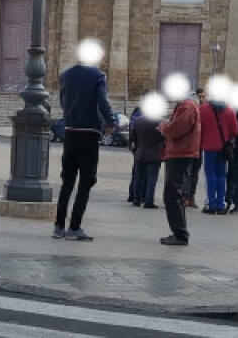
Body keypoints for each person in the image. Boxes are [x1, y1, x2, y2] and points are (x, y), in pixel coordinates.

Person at [52, 54, 115, 242]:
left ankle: (58, 227)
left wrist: (71, 115)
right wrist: (110, 122)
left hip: (70, 131)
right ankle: (74, 228)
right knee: (86, 182)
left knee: (67, 182)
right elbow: (102, 101)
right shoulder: (97, 75)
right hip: (89, 133)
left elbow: (63, 101)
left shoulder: (65, 75)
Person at [159, 91, 201, 246]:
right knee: (174, 194)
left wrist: (163, 127)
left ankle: (180, 234)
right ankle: (178, 232)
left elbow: (175, 130)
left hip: (180, 153)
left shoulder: (187, 106)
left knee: (172, 195)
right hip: (181, 152)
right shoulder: (187, 105)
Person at [199, 91, 238, 215]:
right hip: (223, 148)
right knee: (222, 176)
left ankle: (211, 204)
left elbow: (198, 127)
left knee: (210, 175)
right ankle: (221, 205)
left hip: (208, 146)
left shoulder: (203, 109)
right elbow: (235, 131)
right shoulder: (230, 110)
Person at [130, 105, 163, 209]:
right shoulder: (159, 122)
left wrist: (135, 151)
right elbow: (164, 139)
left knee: (138, 178)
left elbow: (132, 139)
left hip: (140, 153)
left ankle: (136, 200)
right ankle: (149, 201)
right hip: (154, 154)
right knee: (152, 179)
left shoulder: (138, 121)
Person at [183, 88, 207, 209]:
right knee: (187, 173)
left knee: (194, 174)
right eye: (200, 97)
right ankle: (185, 197)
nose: (202, 99)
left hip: (199, 147)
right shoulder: (190, 111)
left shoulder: (205, 112)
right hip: (189, 147)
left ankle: (191, 197)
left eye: (203, 97)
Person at [127, 106, 144, 205]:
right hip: (139, 146)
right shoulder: (139, 111)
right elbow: (134, 128)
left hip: (141, 146)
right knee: (138, 172)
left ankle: (137, 195)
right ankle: (134, 195)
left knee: (138, 172)